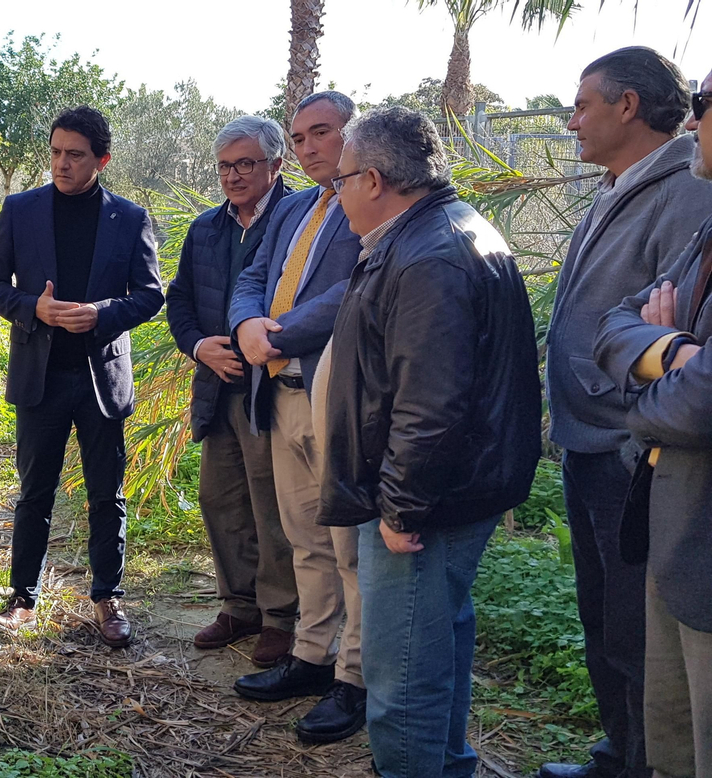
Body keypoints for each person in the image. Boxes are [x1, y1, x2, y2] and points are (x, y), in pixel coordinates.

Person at [318, 106, 542, 778]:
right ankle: (448, 766)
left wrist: (399, 507)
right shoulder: (437, 233)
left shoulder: (428, 255)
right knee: (435, 644)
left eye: (342, 180)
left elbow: (431, 404)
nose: (336, 195)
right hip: (448, 493)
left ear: (377, 179)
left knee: (404, 675)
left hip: (426, 507)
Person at [542, 46, 712, 778]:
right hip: (592, 442)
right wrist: (650, 343)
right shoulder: (619, 184)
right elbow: (620, 321)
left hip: (634, 447)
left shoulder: (689, 192)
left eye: (582, 105)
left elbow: (664, 332)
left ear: (629, 107)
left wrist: (654, 353)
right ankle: (620, 751)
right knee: (604, 618)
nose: (571, 121)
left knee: (638, 633)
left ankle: (642, 761)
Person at [0, 106, 164, 648]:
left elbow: (149, 295)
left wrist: (101, 314)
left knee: (107, 493)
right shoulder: (21, 210)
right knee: (35, 491)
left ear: (101, 160)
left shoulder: (129, 219)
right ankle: (23, 597)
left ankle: (107, 596)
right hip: (41, 378)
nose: (61, 163)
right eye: (56, 152)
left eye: (75, 155)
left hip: (102, 380)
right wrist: (34, 308)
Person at [227, 91, 366, 744]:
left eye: (322, 133)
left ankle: (355, 680)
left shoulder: (372, 202)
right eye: (300, 136)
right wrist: (247, 323)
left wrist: (276, 336)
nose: (309, 146)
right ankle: (310, 659)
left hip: (333, 399)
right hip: (278, 396)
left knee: (351, 552)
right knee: (306, 540)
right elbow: (252, 274)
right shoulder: (294, 208)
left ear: (354, 134)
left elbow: (357, 288)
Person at [594, 71, 712, 778]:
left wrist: (647, 391)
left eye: (703, 105)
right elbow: (616, 323)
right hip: (673, 535)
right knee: (672, 746)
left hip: (704, 546)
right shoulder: (707, 228)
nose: (691, 122)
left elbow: (702, 404)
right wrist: (672, 354)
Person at [165, 115, 298, 668]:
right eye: (225, 166)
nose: (234, 176)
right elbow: (181, 302)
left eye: (246, 164)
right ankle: (238, 605)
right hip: (217, 389)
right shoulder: (206, 229)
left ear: (276, 165)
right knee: (221, 499)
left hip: (272, 392)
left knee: (273, 508)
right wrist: (201, 348)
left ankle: (280, 618)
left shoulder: (299, 220)